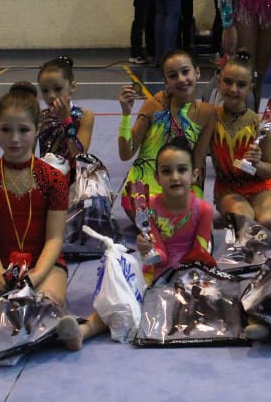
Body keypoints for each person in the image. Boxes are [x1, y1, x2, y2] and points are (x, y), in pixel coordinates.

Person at [0, 82, 80, 349]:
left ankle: (73, 329)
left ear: (37, 129)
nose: (15, 139)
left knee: (49, 300)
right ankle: (48, 332)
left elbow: (54, 239)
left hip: (45, 264)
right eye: (6, 130)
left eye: (23, 130)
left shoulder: (53, 179)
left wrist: (36, 275)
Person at [76, 137, 215, 345]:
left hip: (191, 273)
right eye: (166, 171)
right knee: (122, 301)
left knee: (214, 302)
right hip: (155, 274)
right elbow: (160, 257)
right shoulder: (147, 207)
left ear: (195, 175)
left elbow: (200, 254)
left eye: (182, 170)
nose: (175, 177)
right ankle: (83, 330)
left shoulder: (203, 210)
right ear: (157, 177)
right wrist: (147, 249)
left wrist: (184, 282)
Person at [118, 48, 217, 215]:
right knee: (165, 221)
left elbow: (199, 162)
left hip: (178, 189)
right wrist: (126, 114)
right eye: (173, 75)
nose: (181, 79)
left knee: (192, 215)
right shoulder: (154, 105)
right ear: (165, 82)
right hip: (143, 189)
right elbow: (125, 154)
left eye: (185, 72)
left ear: (197, 72)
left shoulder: (207, 113)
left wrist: (197, 202)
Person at [211, 51, 271, 230]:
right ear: (219, 81)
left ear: (250, 88)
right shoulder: (211, 119)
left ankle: (235, 219)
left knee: (268, 222)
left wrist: (258, 164)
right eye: (228, 82)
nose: (233, 89)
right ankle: (233, 216)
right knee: (245, 222)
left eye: (241, 85)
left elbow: (269, 171)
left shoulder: (259, 124)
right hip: (228, 188)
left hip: (258, 186)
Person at [36, 56, 95, 164]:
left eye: (58, 89)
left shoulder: (85, 116)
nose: (51, 96)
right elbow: (28, 155)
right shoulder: (39, 116)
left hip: (73, 173)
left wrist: (66, 120)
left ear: (72, 87)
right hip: (46, 172)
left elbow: (79, 155)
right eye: (45, 90)